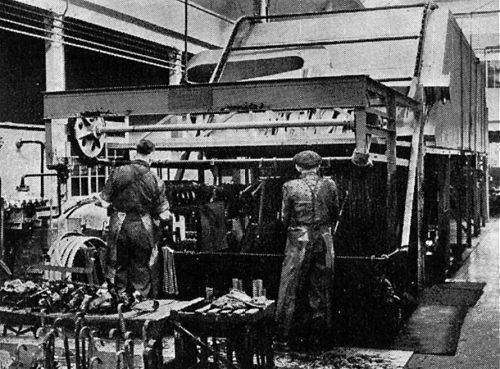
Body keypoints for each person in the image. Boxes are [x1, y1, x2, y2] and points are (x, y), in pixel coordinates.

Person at [275, 150, 339, 350]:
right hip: (324, 238)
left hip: (299, 240)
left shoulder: (290, 186)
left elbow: (284, 219)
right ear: (319, 167)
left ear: (297, 167)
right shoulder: (330, 185)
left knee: (289, 287)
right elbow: (335, 213)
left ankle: (283, 338)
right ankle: (320, 338)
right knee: (320, 287)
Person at [97, 139, 171, 303]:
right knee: (141, 264)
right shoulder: (155, 179)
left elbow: (103, 201)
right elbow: (164, 213)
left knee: (118, 263)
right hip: (142, 225)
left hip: (119, 224)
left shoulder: (118, 172)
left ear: (135, 152)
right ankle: (140, 298)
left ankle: (119, 297)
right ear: (151, 155)